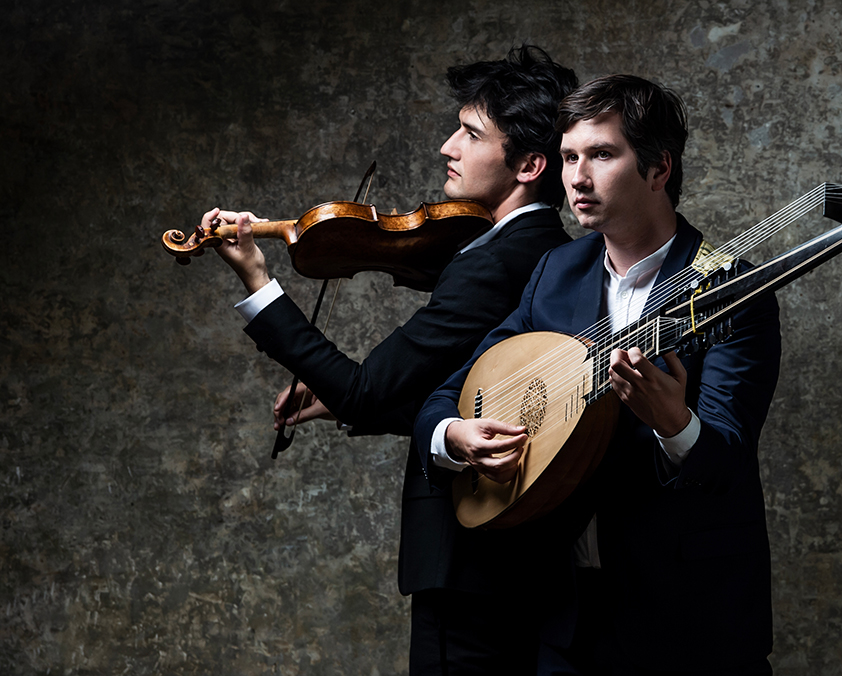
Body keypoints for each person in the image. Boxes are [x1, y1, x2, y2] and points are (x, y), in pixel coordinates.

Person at [201, 46, 581, 674]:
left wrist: (258, 283)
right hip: (520, 564)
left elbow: (363, 387)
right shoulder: (551, 255)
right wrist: (357, 407)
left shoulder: (492, 264)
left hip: (468, 563)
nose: (446, 147)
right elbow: (485, 403)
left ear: (530, 165)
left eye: (469, 133)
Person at [415, 75, 783, 675]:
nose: (577, 178)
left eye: (602, 155)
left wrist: (675, 425)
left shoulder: (731, 287)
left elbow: (730, 457)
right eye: (567, 157)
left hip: (690, 619)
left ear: (659, 169)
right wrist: (454, 436)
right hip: (564, 620)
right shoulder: (554, 272)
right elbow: (446, 393)